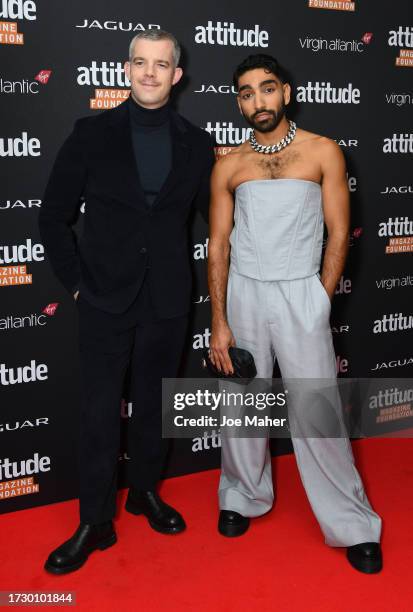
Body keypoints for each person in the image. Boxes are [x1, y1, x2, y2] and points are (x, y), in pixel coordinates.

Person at [39, 29, 215, 574]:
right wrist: (75, 284)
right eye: (140, 62)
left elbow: (220, 218)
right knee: (99, 413)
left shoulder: (197, 142)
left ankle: (143, 493)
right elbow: (53, 217)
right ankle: (95, 520)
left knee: (155, 406)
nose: (149, 72)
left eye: (161, 65)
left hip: (166, 298)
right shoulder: (91, 134)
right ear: (126, 68)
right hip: (103, 298)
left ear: (176, 75)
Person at [207, 54, 382, 574]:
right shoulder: (229, 163)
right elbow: (218, 245)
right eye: (245, 93)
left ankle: (351, 523)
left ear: (285, 91)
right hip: (243, 292)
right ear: (238, 101)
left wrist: (320, 298)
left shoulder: (323, 151)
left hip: (299, 291)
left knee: (316, 409)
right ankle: (242, 495)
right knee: (241, 403)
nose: (257, 101)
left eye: (265, 89)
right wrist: (219, 319)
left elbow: (337, 232)